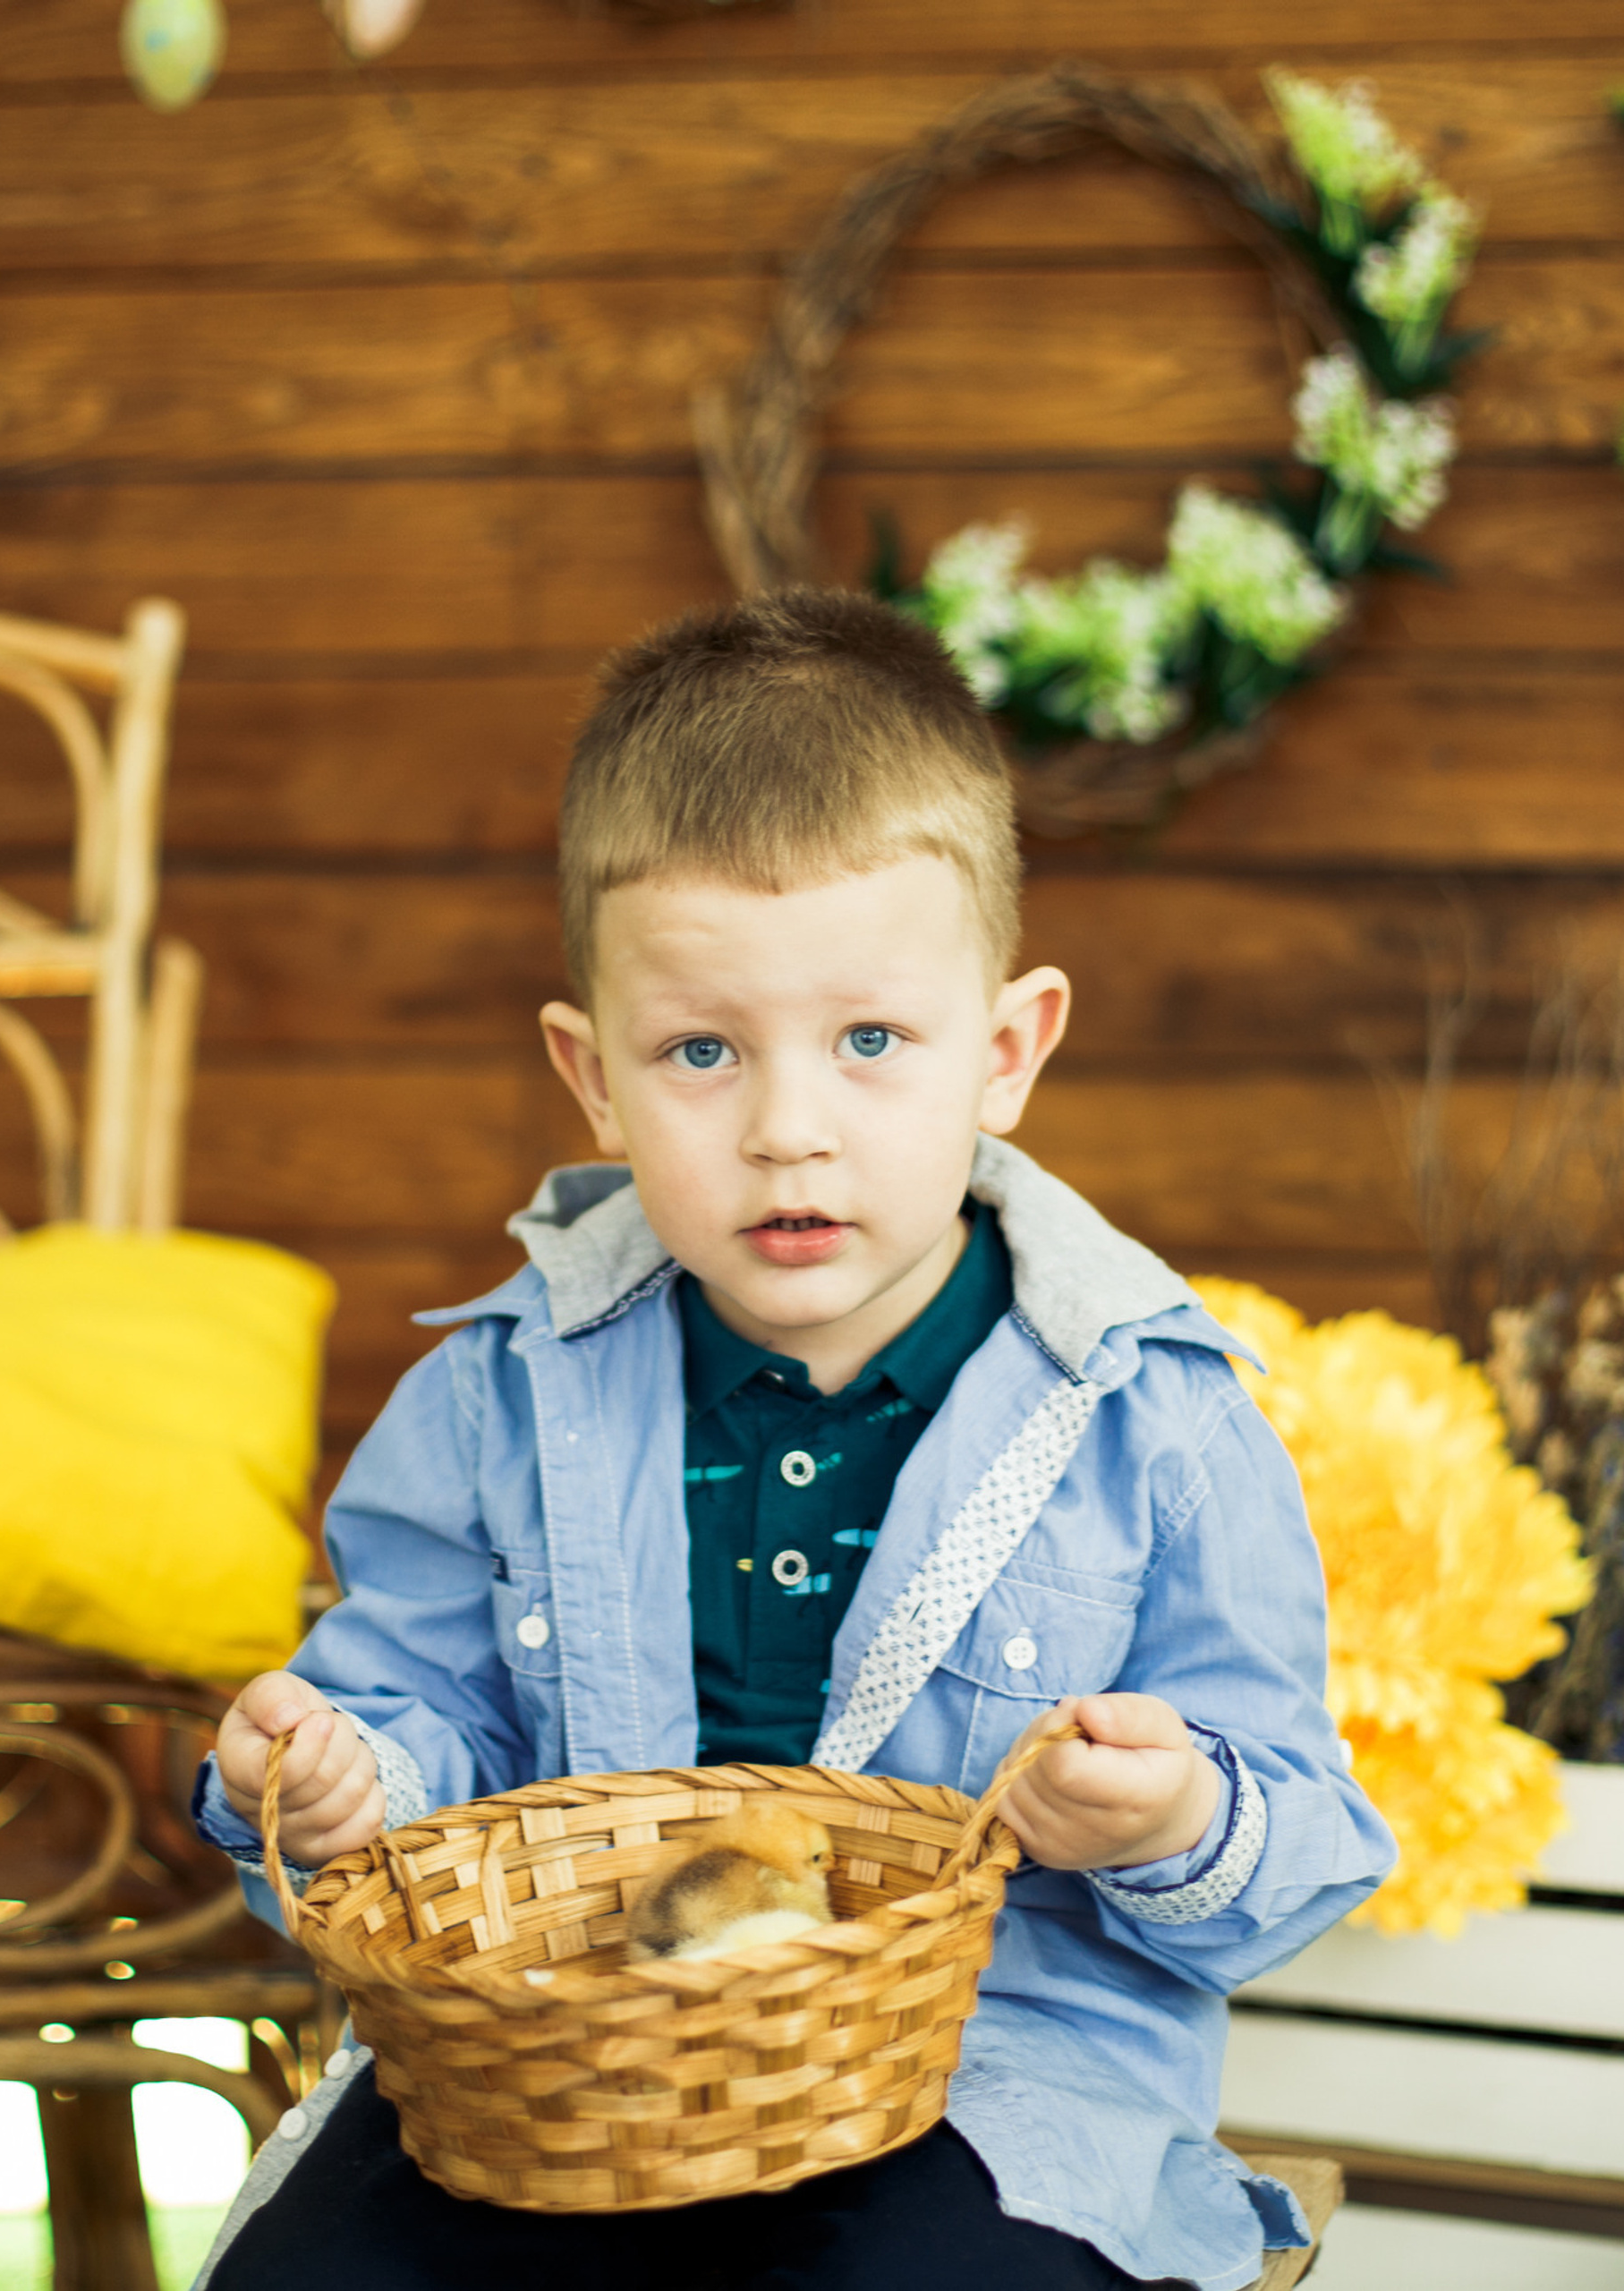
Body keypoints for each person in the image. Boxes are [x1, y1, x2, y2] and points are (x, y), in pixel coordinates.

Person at [189, 587, 1395, 2291]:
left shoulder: (1151, 1421)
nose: (787, 1131)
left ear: (1006, 1051)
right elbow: (422, 1726)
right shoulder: (494, 1398)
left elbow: (1300, 1841)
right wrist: (336, 1781)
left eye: (871, 1043)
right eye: (700, 1050)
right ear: (592, 1074)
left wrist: (1174, 1814)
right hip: (567, 2061)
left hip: (987, 2077)